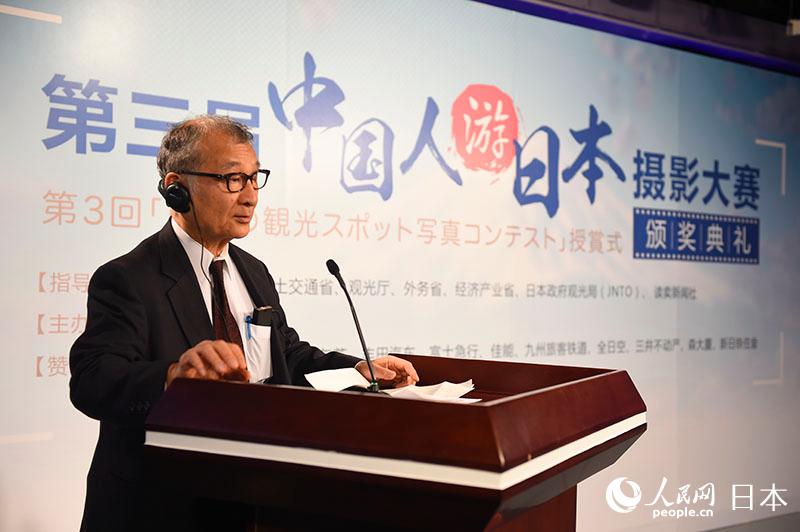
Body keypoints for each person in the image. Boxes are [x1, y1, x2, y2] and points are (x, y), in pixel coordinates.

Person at [69, 115, 419, 532]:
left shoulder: (253, 271)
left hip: (254, 500)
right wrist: (172, 376)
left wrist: (358, 369)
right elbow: (93, 379)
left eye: (255, 178)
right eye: (233, 179)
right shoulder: (129, 277)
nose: (251, 196)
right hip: (160, 506)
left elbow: (285, 354)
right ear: (177, 187)